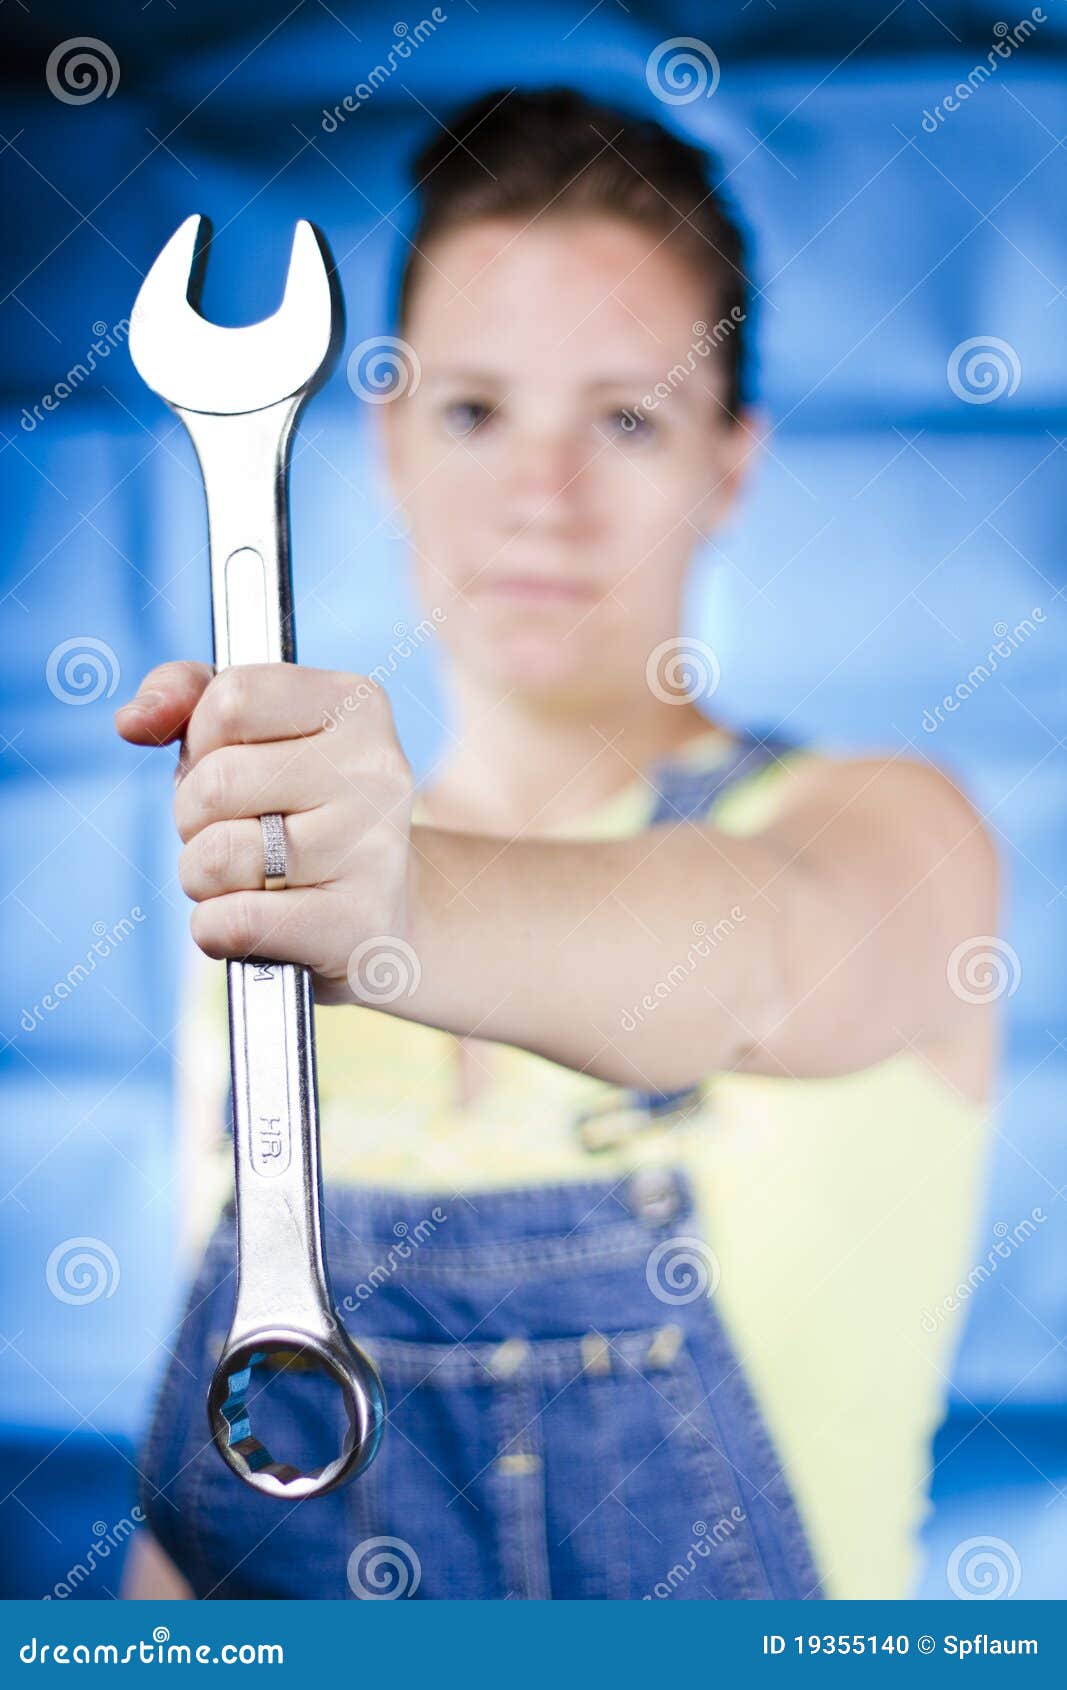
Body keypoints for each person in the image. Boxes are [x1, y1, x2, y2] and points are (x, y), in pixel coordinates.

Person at [115, 87, 997, 1601]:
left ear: (732, 461)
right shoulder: (250, 910)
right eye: (475, 410)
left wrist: (396, 904)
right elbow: (216, 1528)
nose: (544, 496)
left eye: (629, 417)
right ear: (388, 443)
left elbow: (755, 950)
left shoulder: (890, 839)